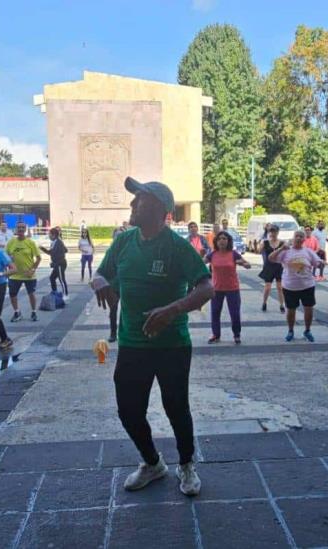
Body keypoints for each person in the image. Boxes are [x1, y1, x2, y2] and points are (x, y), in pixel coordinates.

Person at [93, 176, 213, 496]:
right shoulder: (123, 241)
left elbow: (206, 286)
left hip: (172, 344)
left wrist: (172, 310)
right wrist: (100, 283)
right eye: (134, 200)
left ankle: (186, 464)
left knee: (176, 407)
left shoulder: (177, 247)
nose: (132, 205)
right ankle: (152, 462)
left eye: (140, 200)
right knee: (128, 410)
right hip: (132, 343)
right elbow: (100, 273)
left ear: (161, 210)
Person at [269, 230, 323, 342]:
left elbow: (317, 263)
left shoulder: (308, 251)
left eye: (301, 237)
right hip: (290, 286)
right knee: (291, 310)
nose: (298, 238)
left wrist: (321, 263)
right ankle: (290, 331)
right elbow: (271, 258)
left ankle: (307, 330)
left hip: (307, 285)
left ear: (304, 240)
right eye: (296, 236)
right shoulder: (286, 251)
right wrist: (280, 249)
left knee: (309, 309)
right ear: (293, 238)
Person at [205, 230, 251, 344]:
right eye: (220, 239)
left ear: (228, 241)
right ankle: (216, 335)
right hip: (216, 289)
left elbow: (248, 265)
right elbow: (200, 263)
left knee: (234, 313)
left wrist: (243, 263)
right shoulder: (212, 254)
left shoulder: (233, 254)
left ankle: (237, 335)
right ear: (216, 241)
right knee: (215, 313)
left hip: (232, 288)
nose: (222, 241)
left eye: (224, 239)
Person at [5, 221, 41, 322]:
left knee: (31, 294)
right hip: (14, 275)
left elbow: (38, 258)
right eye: (19, 227)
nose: (20, 229)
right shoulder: (11, 242)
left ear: (25, 229)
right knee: (12, 294)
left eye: (22, 228)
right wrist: (8, 266)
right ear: (15, 229)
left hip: (29, 275)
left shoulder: (30, 242)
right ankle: (17, 312)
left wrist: (33, 270)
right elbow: (5, 256)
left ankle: (33, 312)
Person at [258, 225, 285, 312]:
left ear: (278, 232)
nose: (273, 233)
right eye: (271, 231)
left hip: (278, 266)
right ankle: (264, 302)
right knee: (267, 287)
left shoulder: (282, 243)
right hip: (268, 266)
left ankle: (282, 305)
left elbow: (286, 254)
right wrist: (259, 244)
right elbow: (258, 250)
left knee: (279, 287)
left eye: (274, 231)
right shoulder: (265, 242)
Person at [41, 227, 68, 297]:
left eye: (49, 234)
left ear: (54, 235)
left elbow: (64, 251)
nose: (49, 236)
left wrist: (56, 260)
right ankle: (54, 292)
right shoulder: (54, 242)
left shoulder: (58, 242)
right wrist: (43, 249)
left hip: (60, 264)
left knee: (61, 279)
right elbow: (64, 250)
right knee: (52, 278)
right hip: (57, 264)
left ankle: (66, 295)